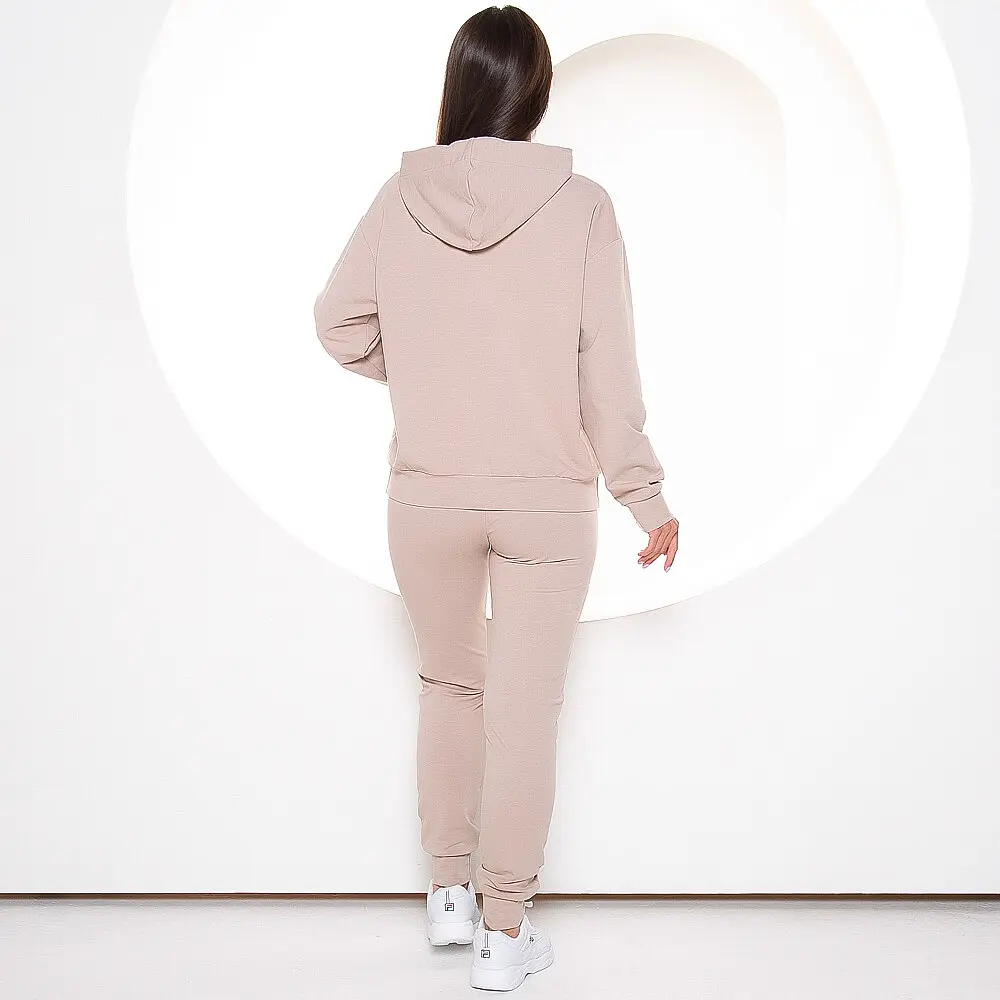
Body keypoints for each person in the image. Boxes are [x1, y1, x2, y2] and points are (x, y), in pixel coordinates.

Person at [313, 4, 679, 991]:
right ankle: (503, 930)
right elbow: (607, 372)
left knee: (448, 684)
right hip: (544, 504)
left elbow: (338, 323)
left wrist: (430, 376)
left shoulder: (400, 197)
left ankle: (447, 892)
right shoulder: (583, 206)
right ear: (536, 92)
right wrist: (644, 496)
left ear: (460, 86)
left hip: (426, 499)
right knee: (522, 712)